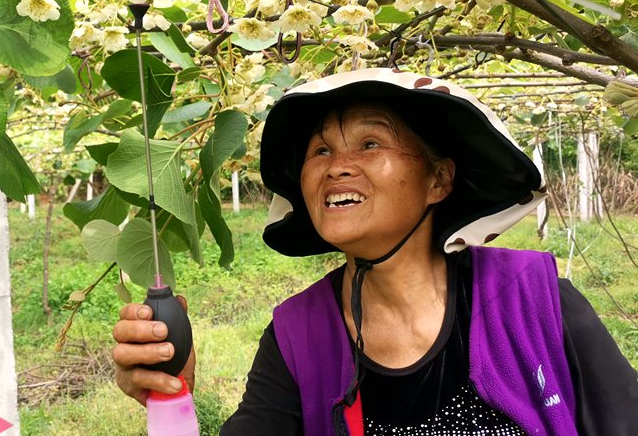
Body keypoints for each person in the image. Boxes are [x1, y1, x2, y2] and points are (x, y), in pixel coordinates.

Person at [112, 68, 638, 435]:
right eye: (320, 150)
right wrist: (174, 401)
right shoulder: (299, 335)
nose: (334, 166)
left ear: (439, 179)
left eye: (369, 144)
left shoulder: (535, 297)